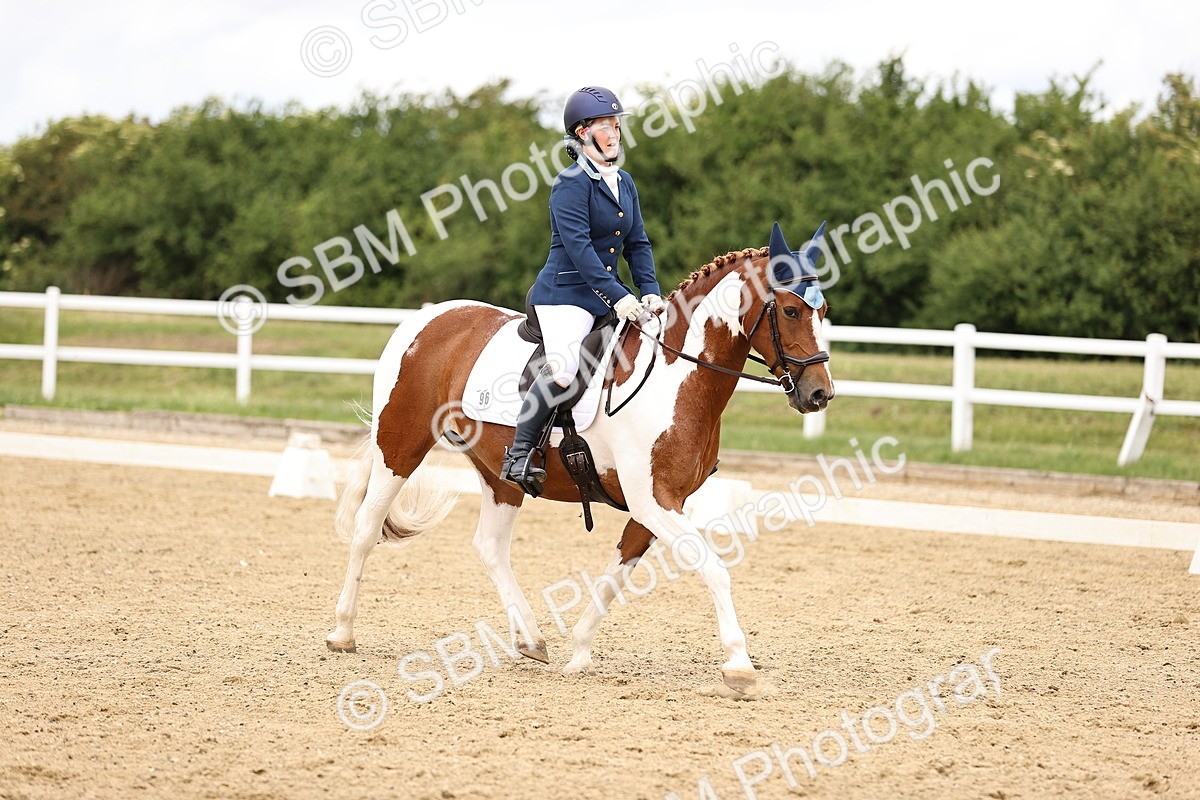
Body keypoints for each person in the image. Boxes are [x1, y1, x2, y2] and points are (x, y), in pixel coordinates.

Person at [499, 86, 666, 495]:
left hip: (609, 293)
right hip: (565, 295)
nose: (614, 133)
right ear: (582, 133)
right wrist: (620, 296)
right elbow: (581, 251)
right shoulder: (570, 185)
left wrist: (649, 291)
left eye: (616, 125)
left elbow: (638, 244)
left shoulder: (624, 182)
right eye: (605, 126)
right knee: (564, 370)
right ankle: (519, 454)